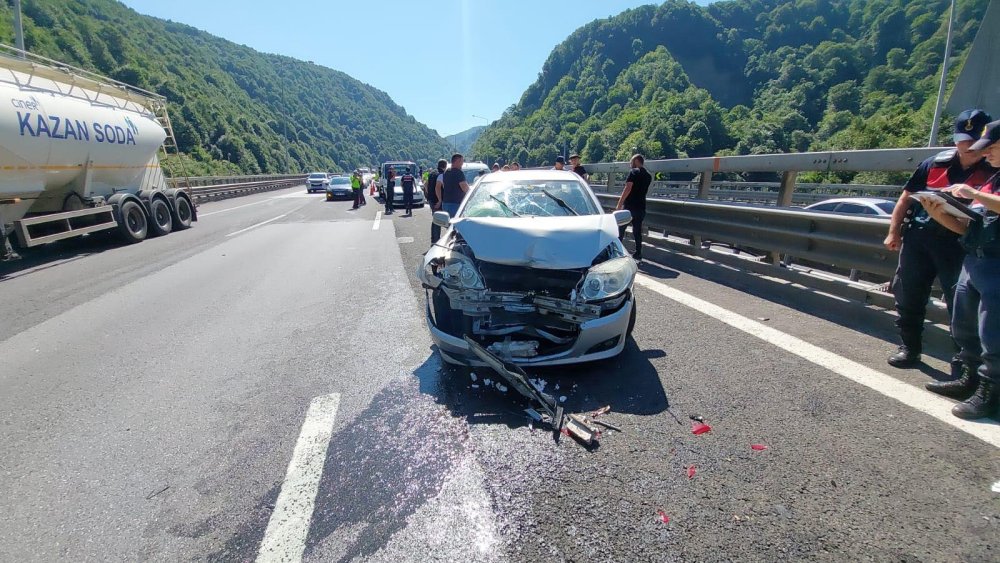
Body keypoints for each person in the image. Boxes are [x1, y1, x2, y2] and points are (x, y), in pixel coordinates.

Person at [883, 109, 996, 369]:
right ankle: (909, 348)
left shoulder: (993, 170)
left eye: (972, 140)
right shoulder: (934, 163)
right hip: (919, 238)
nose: (967, 146)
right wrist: (894, 230)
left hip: (958, 245)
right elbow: (905, 197)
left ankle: (964, 363)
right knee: (908, 295)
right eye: (962, 140)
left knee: (960, 306)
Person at [922, 119, 1000, 419]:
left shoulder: (986, 187)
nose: (986, 154)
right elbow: (967, 224)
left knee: (993, 332)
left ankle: (990, 393)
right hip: (974, 257)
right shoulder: (993, 179)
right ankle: (969, 379)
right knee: (964, 325)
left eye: (992, 147)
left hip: (996, 264)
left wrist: (974, 194)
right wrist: (937, 210)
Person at [615, 154, 652, 261]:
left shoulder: (633, 172)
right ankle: (638, 253)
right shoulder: (648, 176)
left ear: (636, 161)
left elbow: (628, 188)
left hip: (629, 207)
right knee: (637, 231)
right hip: (641, 207)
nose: (630, 164)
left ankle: (618, 252)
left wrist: (619, 204)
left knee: (621, 229)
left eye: (631, 161)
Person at [436, 153, 471, 217]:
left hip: (445, 203)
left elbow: (443, 186)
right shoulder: (459, 173)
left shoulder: (446, 172)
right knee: (455, 224)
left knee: (448, 224)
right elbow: (465, 188)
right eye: (462, 161)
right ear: (457, 161)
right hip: (455, 204)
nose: (462, 164)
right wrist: (472, 193)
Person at [425, 159, 447, 243]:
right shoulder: (441, 174)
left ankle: (434, 239)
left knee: (435, 219)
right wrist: (440, 200)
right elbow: (438, 188)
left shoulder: (431, 173)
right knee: (439, 220)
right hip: (437, 200)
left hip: (431, 199)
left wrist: (429, 194)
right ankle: (436, 240)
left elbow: (426, 184)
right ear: (445, 166)